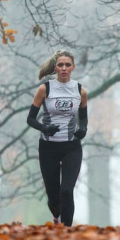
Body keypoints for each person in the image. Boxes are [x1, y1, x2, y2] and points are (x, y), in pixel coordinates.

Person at [26, 50, 88, 227]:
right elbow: (30, 119)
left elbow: (83, 119)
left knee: (67, 192)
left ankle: (66, 232)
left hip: (71, 147)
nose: (64, 68)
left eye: (67, 65)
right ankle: (57, 217)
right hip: (48, 147)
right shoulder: (45, 89)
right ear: (55, 67)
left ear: (73, 67)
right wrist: (44, 128)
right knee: (54, 197)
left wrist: (83, 130)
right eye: (60, 65)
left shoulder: (80, 91)